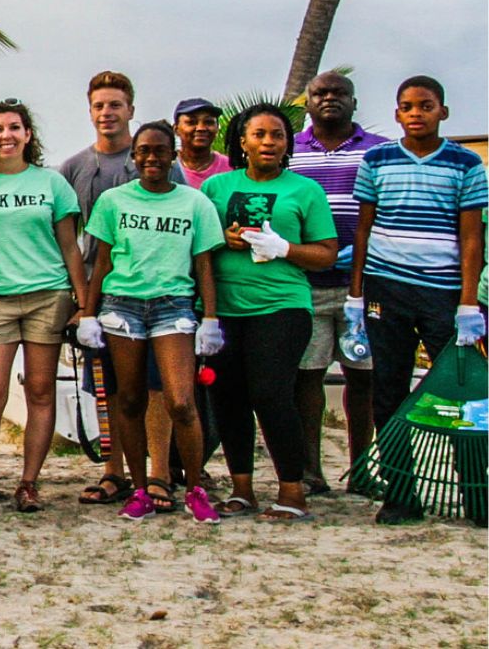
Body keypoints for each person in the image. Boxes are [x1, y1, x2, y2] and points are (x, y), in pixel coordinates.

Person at [350, 76, 486, 523]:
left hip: (444, 292)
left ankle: (475, 492)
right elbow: (364, 230)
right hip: (386, 287)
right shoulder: (378, 159)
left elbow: (471, 236)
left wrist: (468, 302)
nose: (416, 113)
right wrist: (356, 294)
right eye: (407, 106)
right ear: (396, 114)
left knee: (461, 393)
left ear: (442, 112)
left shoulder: (466, 164)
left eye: (425, 106)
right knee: (388, 391)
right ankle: (401, 491)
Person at [75, 122, 223, 523]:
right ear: (134, 157)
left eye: (161, 151)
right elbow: (101, 261)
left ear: (172, 155)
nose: (152, 158)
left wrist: (209, 317)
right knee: (130, 398)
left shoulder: (194, 203)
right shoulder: (113, 201)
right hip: (121, 306)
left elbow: (204, 264)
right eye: (144, 151)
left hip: (173, 306)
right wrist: (88, 314)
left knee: (180, 400)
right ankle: (139, 489)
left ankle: (193, 487)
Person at [202, 105, 340, 521]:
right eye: (258, 134)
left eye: (276, 135)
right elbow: (199, 248)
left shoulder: (305, 190)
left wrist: (285, 249)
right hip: (225, 307)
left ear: (287, 143)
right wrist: (223, 239)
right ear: (241, 141)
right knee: (228, 397)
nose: (267, 142)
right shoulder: (216, 187)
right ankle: (242, 489)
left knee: (271, 392)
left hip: (282, 304)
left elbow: (327, 254)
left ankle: (292, 491)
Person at [0, 100, 87, 512]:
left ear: (28, 134)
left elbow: (70, 246)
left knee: (40, 392)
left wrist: (84, 303)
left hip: (48, 296)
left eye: (14, 127)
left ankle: (29, 483)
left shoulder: (53, 183)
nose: (6, 136)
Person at [56, 72, 185, 506]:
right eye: (99, 106)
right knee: (109, 387)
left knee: (155, 388)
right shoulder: (73, 168)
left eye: (115, 105)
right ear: (90, 111)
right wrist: (81, 302)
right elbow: (69, 240)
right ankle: (113, 471)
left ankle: (160, 473)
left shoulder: (159, 161)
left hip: (160, 295)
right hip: (99, 296)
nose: (107, 113)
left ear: (130, 109)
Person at [289, 70, 386, 493]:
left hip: (359, 287)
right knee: (307, 376)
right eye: (320, 93)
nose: (330, 99)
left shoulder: (380, 152)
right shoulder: (289, 150)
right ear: (307, 103)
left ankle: (362, 469)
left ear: (354, 101)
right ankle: (310, 472)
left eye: (339, 92)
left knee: (362, 376)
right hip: (304, 284)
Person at [172, 98, 231, 189]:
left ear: (217, 128)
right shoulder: (167, 168)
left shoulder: (231, 168)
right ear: (176, 129)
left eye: (208, 122)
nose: (201, 128)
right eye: (191, 122)